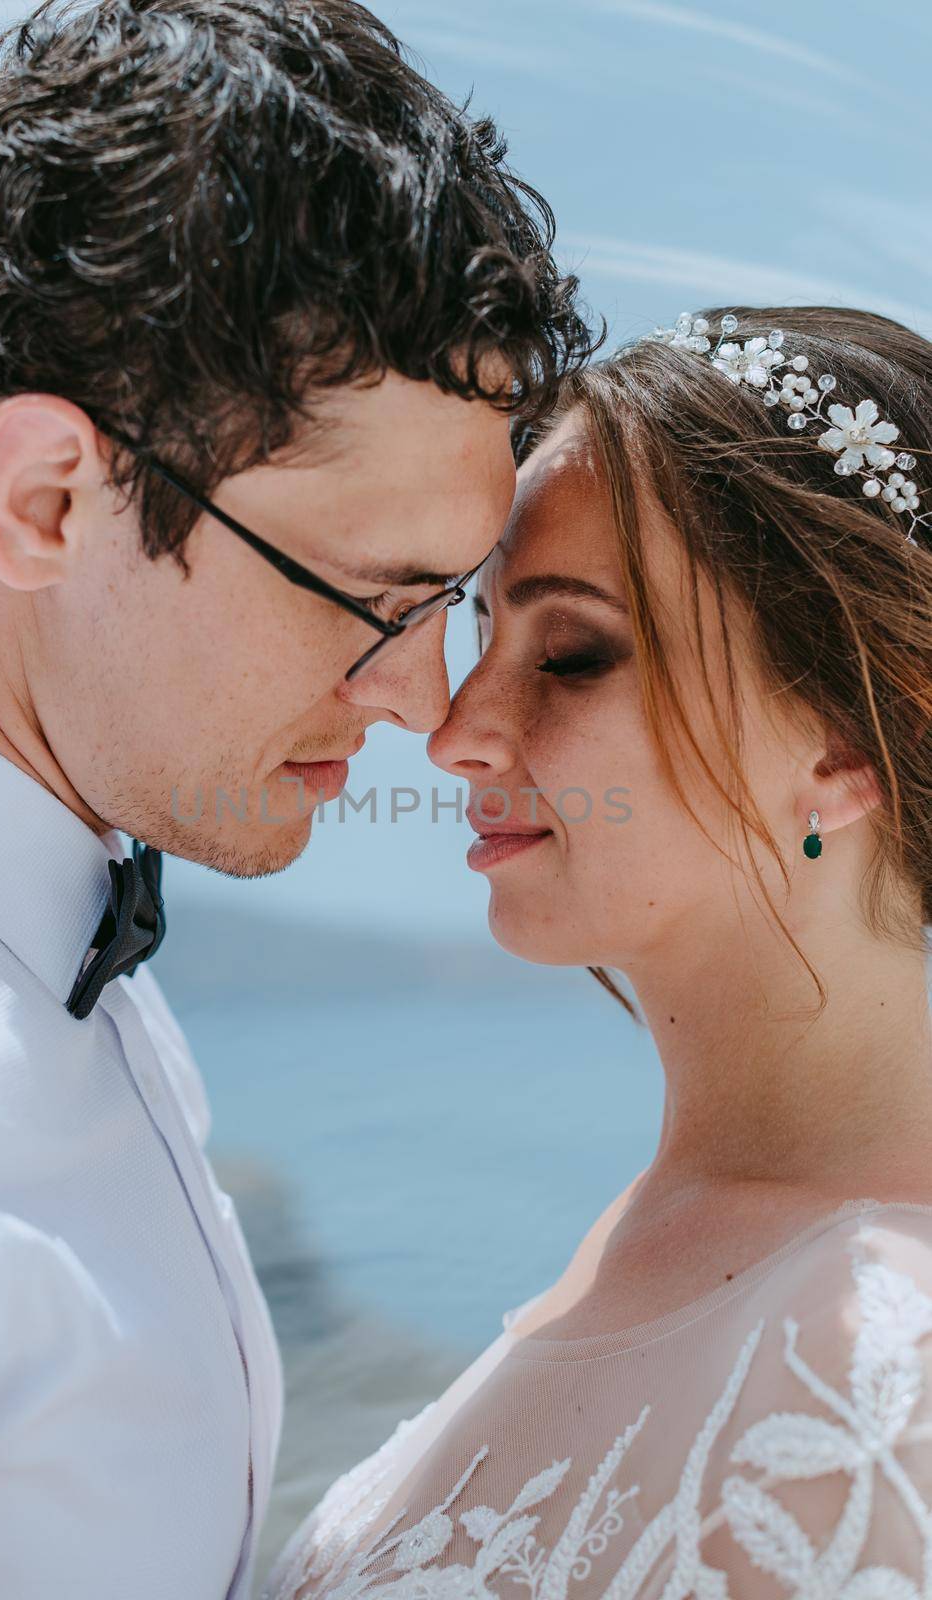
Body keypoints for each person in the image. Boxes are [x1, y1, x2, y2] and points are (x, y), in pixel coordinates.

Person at [0, 0, 590, 1594]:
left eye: (451, 606)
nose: (428, 701)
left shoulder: (62, 930)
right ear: (48, 500)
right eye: (370, 596)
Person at [262, 305, 932, 1600]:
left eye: (570, 654)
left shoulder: (876, 1377)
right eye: (484, 629)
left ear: (850, 747)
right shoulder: (649, 1229)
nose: (456, 729)